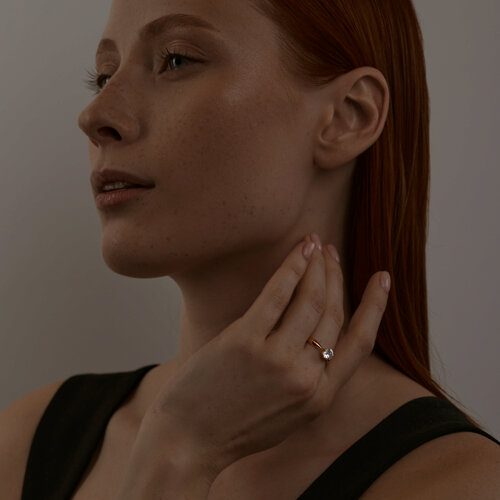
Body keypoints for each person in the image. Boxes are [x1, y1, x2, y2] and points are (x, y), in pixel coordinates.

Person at [1, 0, 499, 499]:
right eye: (103, 77)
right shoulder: (22, 446)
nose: (95, 115)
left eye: (176, 59)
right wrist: (179, 445)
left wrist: (180, 451)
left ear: (348, 117)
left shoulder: (462, 485)